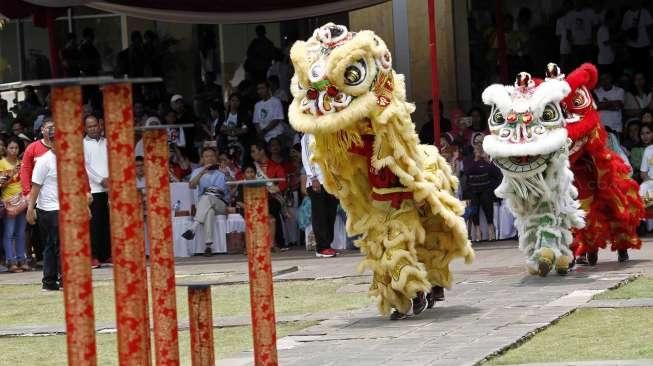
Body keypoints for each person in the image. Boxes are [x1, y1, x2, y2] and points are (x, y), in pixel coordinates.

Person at [26, 133, 61, 291]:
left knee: (56, 246)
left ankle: (51, 280)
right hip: (48, 209)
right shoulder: (44, 161)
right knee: (53, 245)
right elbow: (35, 187)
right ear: (50, 141)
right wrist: (30, 209)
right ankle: (52, 280)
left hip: (63, 207)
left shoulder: (68, 158)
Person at [181, 147, 230, 256]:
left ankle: (194, 226)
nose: (210, 158)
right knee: (209, 212)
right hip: (206, 206)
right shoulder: (198, 171)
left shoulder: (223, 169)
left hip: (221, 203)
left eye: (212, 156)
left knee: (206, 198)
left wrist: (226, 174)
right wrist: (202, 172)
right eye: (206, 156)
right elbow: (191, 185)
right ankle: (208, 246)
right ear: (202, 159)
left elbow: (234, 186)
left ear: (216, 157)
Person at [301, 133, 338, 257]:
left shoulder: (328, 134)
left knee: (330, 213)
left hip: (330, 180)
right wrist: (313, 178)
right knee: (320, 214)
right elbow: (306, 158)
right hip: (317, 181)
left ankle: (328, 244)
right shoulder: (307, 136)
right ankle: (321, 247)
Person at [83, 114, 111, 267]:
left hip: (110, 188)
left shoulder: (107, 142)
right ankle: (93, 255)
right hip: (94, 189)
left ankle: (106, 254)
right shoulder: (83, 144)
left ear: (100, 125)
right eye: (90, 126)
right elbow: (86, 167)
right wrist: (101, 180)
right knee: (95, 224)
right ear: (85, 128)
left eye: (95, 125)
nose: (93, 128)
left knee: (108, 223)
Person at [250, 141, 288, 251]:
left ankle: (275, 242)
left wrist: (274, 189)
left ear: (262, 151)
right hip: (255, 198)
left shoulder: (275, 166)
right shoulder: (252, 167)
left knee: (273, 208)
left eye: (254, 151)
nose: (252, 154)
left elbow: (283, 182)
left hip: (272, 198)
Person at [462, 145, 501, 242]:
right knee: (474, 209)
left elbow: (497, 173)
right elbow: (467, 172)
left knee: (488, 207)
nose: (479, 152)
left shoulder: (487, 160)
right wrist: (476, 160)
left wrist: (487, 160)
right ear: (473, 151)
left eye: (481, 150)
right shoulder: (468, 160)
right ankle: (478, 232)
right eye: (476, 150)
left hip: (486, 187)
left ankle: (491, 231)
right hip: (473, 188)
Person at [0, 139, 28, 273]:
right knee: (9, 233)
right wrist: (10, 175)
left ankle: (22, 260)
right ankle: (11, 261)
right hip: (8, 202)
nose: (14, 150)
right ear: (6, 149)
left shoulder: (22, 163)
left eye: (16, 148)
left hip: (21, 202)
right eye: (11, 148)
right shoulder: (1, 163)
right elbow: (1, 185)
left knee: (21, 233)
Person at [622, 2, 653, 77]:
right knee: (635, 68)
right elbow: (624, 30)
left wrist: (651, 43)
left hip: (643, 45)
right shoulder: (627, 14)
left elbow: (650, 28)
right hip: (632, 45)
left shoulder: (644, 12)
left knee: (645, 68)